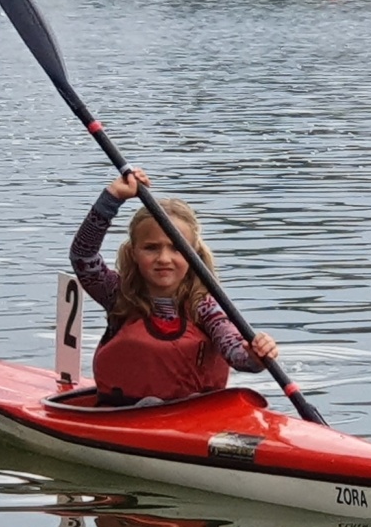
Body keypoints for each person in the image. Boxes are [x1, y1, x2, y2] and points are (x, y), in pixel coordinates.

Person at [70, 168, 279, 406]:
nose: (164, 259)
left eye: (176, 248)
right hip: (122, 413)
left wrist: (254, 356)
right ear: (133, 253)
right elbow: (82, 256)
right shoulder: (118, 295)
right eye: (151, 248)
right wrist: (112, 197)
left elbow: (233, 349)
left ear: (194, 255)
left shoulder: (205, 306)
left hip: (190, 417)